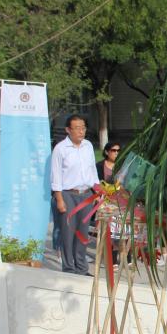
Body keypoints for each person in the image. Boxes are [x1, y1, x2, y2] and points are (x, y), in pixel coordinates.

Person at [50, 114, 98, 274]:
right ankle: (69, 268)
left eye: (83, 128)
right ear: (68, 130)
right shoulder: (60, 149)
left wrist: (97, 190)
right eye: (77, 128)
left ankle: (82, 268)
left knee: (83, 233)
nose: (81, 131)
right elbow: (56, 175)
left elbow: (92, 170)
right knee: (68, 233)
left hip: (86, 195)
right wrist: (59, 199)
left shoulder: (88, 146)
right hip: (68, 195)